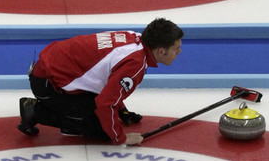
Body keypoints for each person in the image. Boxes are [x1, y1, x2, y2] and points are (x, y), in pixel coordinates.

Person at [18, 18, 183, 146]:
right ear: (161, 51)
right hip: (48, 85)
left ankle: (72, 117)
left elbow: (105, 78)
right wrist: (120, 138)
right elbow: (105, 103)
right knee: (102, 130)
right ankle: (34, 110)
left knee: (106, 118)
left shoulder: (134, 38)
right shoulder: (136, 64)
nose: (179, 52)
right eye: (176, 49)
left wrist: (121, 109)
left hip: (49, 69)